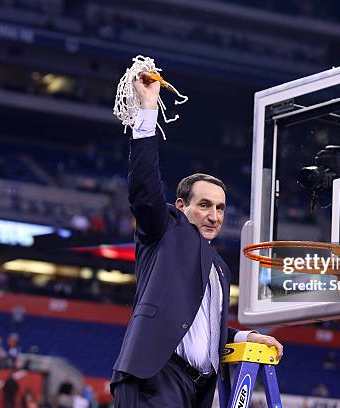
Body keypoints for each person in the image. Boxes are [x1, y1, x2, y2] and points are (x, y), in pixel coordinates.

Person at [110, 72, 283, 408]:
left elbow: (204, 328)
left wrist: (245, 336)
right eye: (204, 205)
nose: (213, 215)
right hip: (155, 378)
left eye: (220, 208)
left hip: (196, 391)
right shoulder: (166, 232)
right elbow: (145, 193)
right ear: (180, 207)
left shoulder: (219, 267)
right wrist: (147, 112)